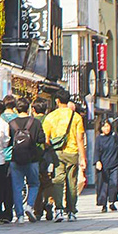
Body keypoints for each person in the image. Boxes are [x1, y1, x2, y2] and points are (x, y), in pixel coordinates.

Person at [42, 92, 86, 222]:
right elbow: (80, 139)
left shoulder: (50, 117)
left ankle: (59, 209)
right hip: (72, 152)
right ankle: (71, 211)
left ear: (57, 101)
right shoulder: (76, 117)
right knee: (72, 182)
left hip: (57, 153)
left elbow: (46, 139)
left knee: (58, 180)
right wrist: (83, 157)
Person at [8, 99, 46, 223]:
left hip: (16, 159)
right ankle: (29, 206)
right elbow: (41, 139)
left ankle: (19, 215)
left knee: (17, 187)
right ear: (29, 108)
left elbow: (8, 142)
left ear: (16, 109)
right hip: (32, 159)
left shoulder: (11, 123)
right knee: (34, 184)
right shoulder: (34, 122)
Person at [91, 118, 118, 211]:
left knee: (114, 183)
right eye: (104, 126)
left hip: (114, 163)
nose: (106, 128)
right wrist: (97, 161)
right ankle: (103, 204)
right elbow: (96, 151)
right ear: (101, 128)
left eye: (107, 126)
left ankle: (112, 201)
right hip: (103, 164)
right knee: (103, 184)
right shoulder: (99, 139)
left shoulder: (114, 136)